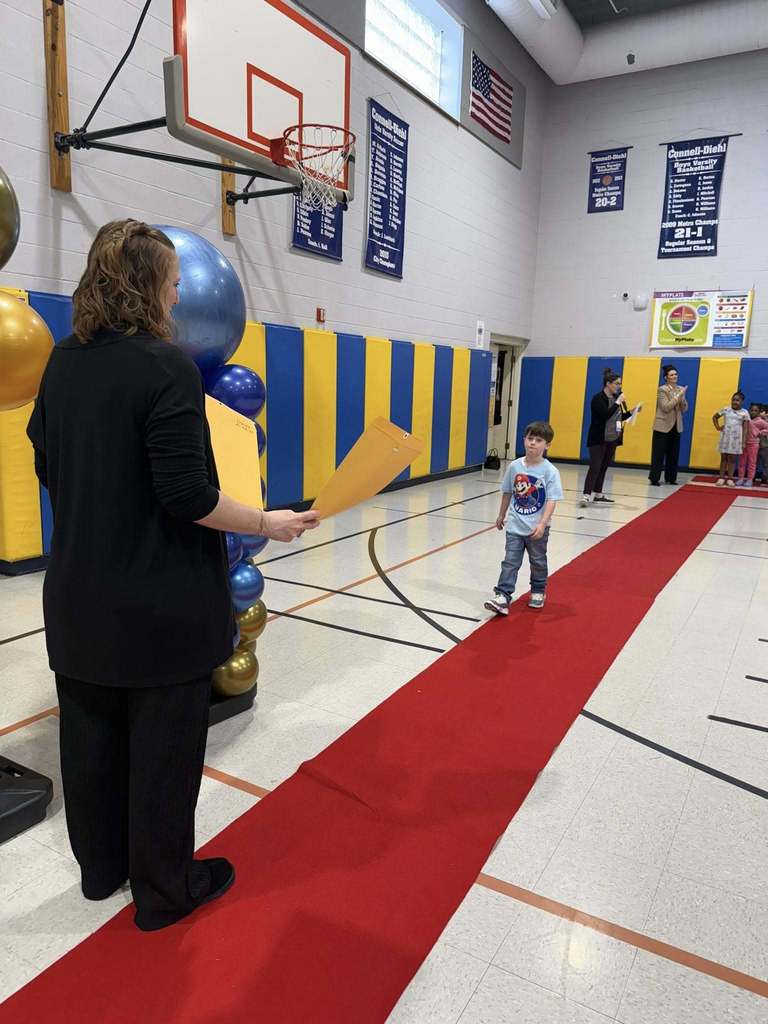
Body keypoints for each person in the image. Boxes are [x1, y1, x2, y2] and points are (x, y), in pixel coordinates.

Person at [26, 220, 320, 932]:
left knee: (90, 745)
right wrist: (266, 522)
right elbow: (187, 495)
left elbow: (45, 460)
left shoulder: (62, 363)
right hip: (157, 608)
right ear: (147, 284)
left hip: (77, 600)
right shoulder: (167, 367)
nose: (180, 289)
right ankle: (164, 890)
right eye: (172, 279)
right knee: (162, 756)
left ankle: (102, 872)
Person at [484, 421, 562, 614]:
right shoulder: (515, 466)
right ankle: (502, 595)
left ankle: (538, 590)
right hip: (515, 526)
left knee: (538, 561)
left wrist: (543, 524)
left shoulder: (550, 471)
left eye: (538, 440)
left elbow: (552, 499)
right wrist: (501, 514)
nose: (533, 443)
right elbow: (508, 492)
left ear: (547, 445)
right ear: (523, 440)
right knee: (510, 561)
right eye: (530, 438)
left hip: (537, 528)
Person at [580, 369, 638, 507]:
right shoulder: (598, 398)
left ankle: (598, 493)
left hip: (612, 438)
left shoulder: (615, 399)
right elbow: (605, 415)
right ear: (608, 384)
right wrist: (618, 402)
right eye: (617, 383)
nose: (619, 386)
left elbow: (618, 417)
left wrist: (631, 411)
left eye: (620, 384)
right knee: (595, 466)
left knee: (604, 467)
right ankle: (586, 495)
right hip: (598, 438)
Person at [649, 364, 688, 486]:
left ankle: (671, 478)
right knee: (658, 453)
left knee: (673, 453)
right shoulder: (662, 389)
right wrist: (678, 396)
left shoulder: (680, 389)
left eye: (676, 374)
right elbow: (665, 407)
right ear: (666, 377)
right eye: (671, 375)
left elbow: (684, 408)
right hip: (662, 426)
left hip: (676, 426)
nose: (674, 376)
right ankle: (654, 478)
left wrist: (682, 398)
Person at [712, 391, 749, 486]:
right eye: (733, 400)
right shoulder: (726, 409)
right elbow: (715, 417)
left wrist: (744, 441)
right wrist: (718, 427)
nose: (735, 402)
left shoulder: (744, 413)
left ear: (742, 402)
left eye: (737, 400)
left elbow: (745, 428)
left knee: (732, 459)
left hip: (736, 439)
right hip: (725, 437)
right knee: (723, 458)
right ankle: (721, 478)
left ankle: (730, 478)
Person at [735, 403, 768, 486]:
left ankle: (750, 479)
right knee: (742, 462)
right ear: (749, 410)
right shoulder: (746, 419)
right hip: (744, 444)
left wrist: (761, 432)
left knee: (752, 462)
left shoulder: (761, 421)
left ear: (759, 412)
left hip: (754, 444)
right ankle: (741, 478)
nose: (753, 412)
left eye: (756, 411)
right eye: (752, 410)